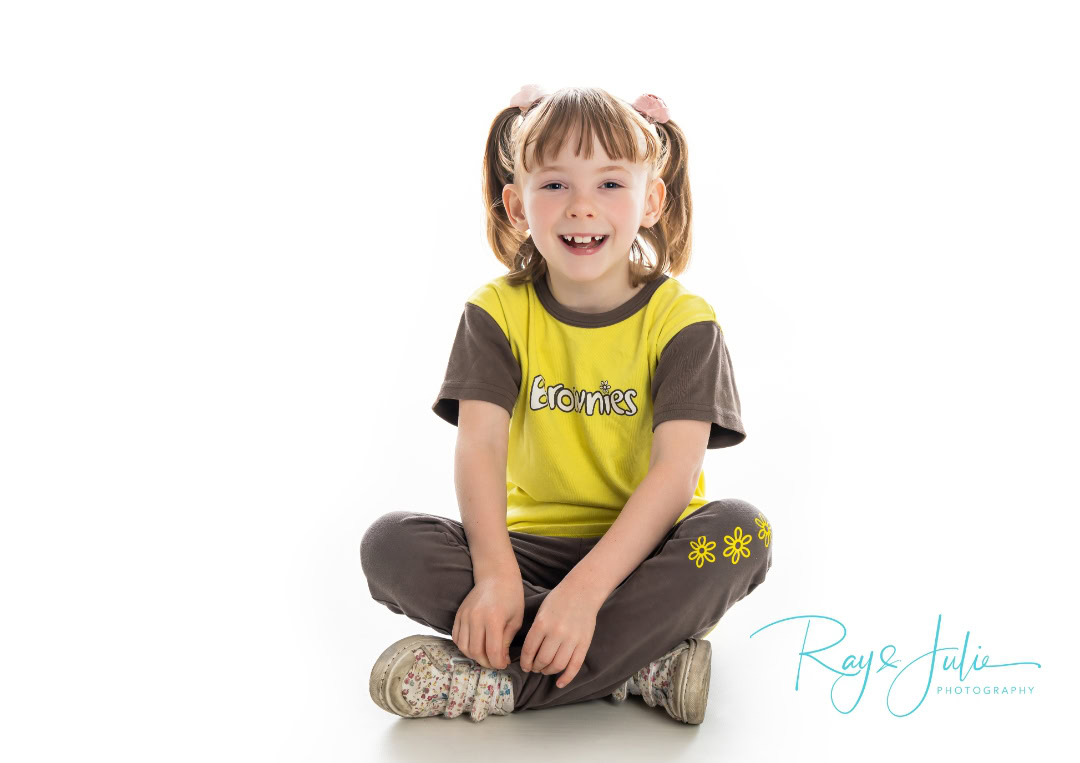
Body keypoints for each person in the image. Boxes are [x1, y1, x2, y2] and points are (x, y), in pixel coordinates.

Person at [360, 84, 773, 725]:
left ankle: (503, 685)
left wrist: (584, 594)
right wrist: (496, 576)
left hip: (645, 555)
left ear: (651, 201)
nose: (582, 208)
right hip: (526, 552)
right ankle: (640, 662)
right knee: (389, 546)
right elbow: (481, 446)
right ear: (517, 206)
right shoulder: (495, 312)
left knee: (741, 533)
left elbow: (674, 474)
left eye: (610, 185)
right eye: (554, 185)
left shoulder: (685, 322)